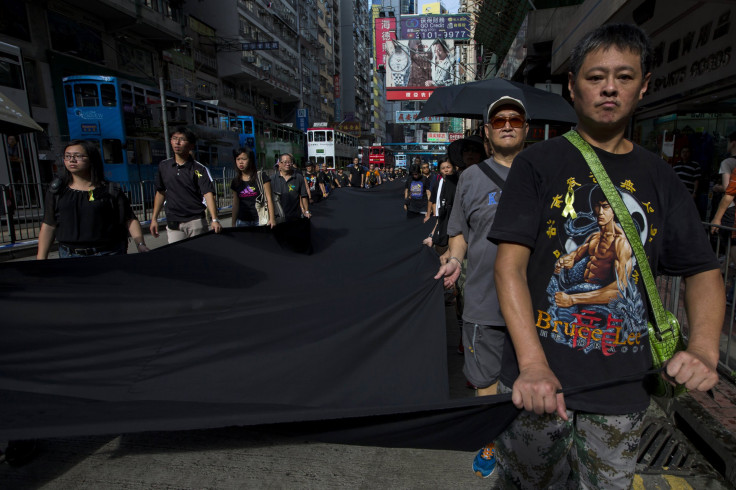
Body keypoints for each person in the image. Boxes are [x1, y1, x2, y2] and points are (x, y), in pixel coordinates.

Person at [489, 24, 722, 489]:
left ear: (645, 84)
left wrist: (703, 349)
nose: (610, 87)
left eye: (624, 76)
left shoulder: (660, 177)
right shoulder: (539, 163)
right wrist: (533, 365)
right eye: (596, 77)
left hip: (622, 390)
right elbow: (509, 267)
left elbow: (702, 270)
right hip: (538, 386)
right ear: (573, 85)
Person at [434, 95, 529, 479]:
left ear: (526, 128)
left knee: (529, 377)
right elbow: (459, 234)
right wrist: (455, 260)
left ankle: (524, 443)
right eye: (499, 120)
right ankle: (491, 439)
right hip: (483, 300)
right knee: (485, 379)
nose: (507, 124)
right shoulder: (470, 179)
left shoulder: (542, 172)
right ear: (488, 132)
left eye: (515, 119)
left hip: (534, 302)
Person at [37, 140, 148, 259]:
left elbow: (129, 219)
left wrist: (140, 244)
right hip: (69, 256)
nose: (72, 160)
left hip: (107, 254)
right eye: (68, 156)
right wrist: (41, 258)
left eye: (78, 156)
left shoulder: (110, 190)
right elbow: (49, 225)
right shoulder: (57, 191)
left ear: (92, 159)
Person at [150, 127, 222, 243]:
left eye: (182, 139)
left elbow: (208, 193)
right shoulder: (164, 166)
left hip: (195, 221)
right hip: (174, 223)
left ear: (191, 146)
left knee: (198, 258)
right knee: (178, 257)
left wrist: (214, 219)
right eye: (174, 138)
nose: (177, 142)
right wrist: (154, 219)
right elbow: (160, 192)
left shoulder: (199, 169)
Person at [230, 147, 276, 228]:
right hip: (242, 221)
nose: (240, 162)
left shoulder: (261, 177)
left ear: (250, 160)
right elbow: (235, 204)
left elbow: (269, 199)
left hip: (260, 220)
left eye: (244, 159)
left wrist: (272, 219)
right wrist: (233, 223)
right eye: (238, 159)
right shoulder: (235, 181)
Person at [270, 153, 310, 221]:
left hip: (295, 216)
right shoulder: (272, 179)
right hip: (278, 217)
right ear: (279, 163)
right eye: (285, 162)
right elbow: (269, 198)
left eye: (290, 162)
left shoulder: (298, 177)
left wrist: (306, 211)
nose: (288, 164)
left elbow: (304, 196)